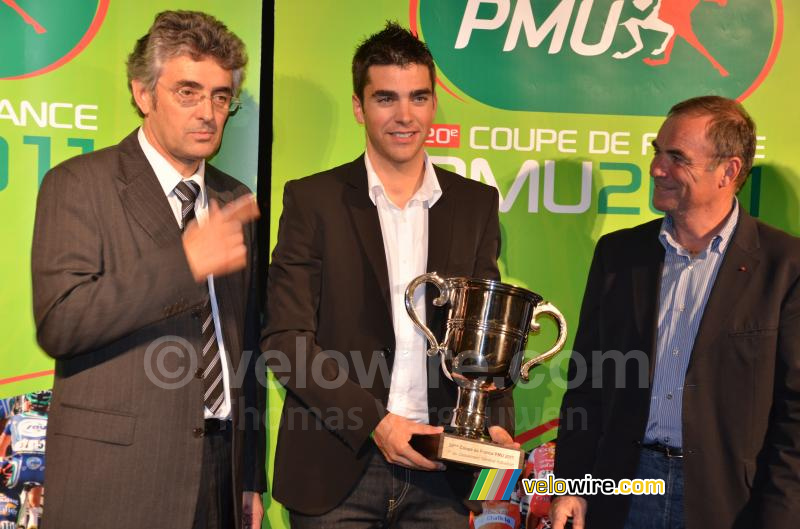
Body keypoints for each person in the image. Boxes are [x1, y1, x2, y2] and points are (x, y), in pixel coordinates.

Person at [262, 21, 516, 528]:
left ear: (433, 104)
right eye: (386, 99)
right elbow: (284, 340)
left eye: (418, 98)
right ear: (359, 106)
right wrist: (375, 423)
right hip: (336, 470)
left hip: (441, 472)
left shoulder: (475, 205)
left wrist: (494, 429)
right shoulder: (313, 201)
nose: (405, 116)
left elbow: (486, 336)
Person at [31, 10, 265, 529]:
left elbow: (242, 348)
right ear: (144, 93)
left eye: (221, 96)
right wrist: (183, 265)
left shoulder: (233, 198)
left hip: (220, 476)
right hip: (121, 478)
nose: (208, 111)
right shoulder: (78, 185)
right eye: (188, 91)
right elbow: (60, 323)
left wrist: (249, 478)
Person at [550, 95, 800, 529]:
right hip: (622, 491)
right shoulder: (619, 254)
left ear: (729, 171)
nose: (656, 169)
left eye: (677, 158)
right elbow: (587, 382)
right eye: (657, 152)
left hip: (728, 503)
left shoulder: (785, 267)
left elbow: (794, 420)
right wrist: (571, 484)